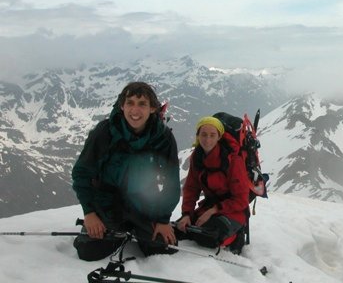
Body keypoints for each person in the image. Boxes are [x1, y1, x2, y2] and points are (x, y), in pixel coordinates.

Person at [71, 81, 180, 261]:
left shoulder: (163, 137)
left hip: (144, 204)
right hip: (107, 203)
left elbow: (171, 182)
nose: (135, 110)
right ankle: (115, 231)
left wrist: (163, 220)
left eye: (142, 104)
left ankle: (134, 230)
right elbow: (82, 173)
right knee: (89, 251)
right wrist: (89, 213)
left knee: (163, 248)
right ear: (122, 106)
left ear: (153, 108)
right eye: (130, 103)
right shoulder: (105, 132)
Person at [175, 116, 250, 254]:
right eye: (203, 134)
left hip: (234, 210)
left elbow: (242, 199)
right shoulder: (197, 157)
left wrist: (214, 210)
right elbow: (191, 188)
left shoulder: (233, 160)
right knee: (179, 229)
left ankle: (236, 235)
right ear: (197, 136)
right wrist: (186, 214)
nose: (207, 140)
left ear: (219, 136)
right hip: (209, 207)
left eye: (212, 135)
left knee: (208, 237)